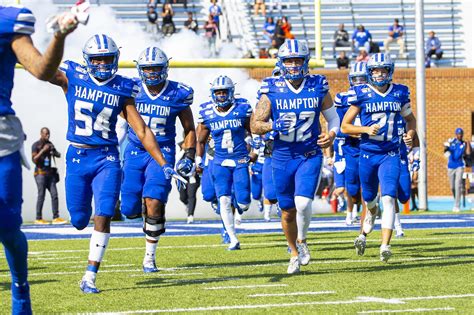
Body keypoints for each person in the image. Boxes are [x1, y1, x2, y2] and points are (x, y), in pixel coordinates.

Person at [48, 34, 181, 293]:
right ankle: (88, 254)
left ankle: (89, 276)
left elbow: (141, 130)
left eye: (106, 58)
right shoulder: (72, 75)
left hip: (106, 157)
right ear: (87, 60)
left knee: (105, 212)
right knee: (78, 219)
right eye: (96, 59)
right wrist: (59, 36)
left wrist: (164, 162)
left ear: (116, 58)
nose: (101, 64)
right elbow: (44, 71)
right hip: (77, 156)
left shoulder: (123, 87)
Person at [0, 4, 78, 313]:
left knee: (6, 226)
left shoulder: (8, 20)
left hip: (1, 133)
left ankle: (20, 288)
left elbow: (41, 70)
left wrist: (59, 35)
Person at [251, 39, 339, 274]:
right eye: (288, 60)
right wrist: (272, 126)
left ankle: (302, 240)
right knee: (288, 209)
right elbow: (255, 124)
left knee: (303, 202)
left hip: (308, 153)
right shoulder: (271, 88)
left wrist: (331, 134)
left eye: (297, 60)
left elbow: (333, 118)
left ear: (305, 62)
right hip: (281, 155)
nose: (292, 65)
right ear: (281, 62)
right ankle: (292, 250)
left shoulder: (318, 85)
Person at [120, 46, 195, 272]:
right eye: (147, 68)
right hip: (134, 150)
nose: (152, 73)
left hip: (163, 152)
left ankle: (149, 257)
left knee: (153, 201)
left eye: (156, 68)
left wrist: (189, 155)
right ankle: (145, 217)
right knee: (129, 208)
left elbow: (189, 128)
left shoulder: (178, 94)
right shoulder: (130, 89)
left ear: (165, 68)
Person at [341, 53, 417, 262]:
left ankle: (385, 244)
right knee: (370, 199)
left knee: (389, 197)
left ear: (390, 71)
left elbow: (410, 120)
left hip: (390, 153)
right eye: (375, 70)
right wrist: (365, 129)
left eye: (383, 70)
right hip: (367, 153)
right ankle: (370, 215)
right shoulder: (362, 93)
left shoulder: (399, 92)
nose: (379, 74)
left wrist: (409, 135)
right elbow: (345, 126)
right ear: (369, 72)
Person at [196, 75, 254, 251]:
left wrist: (254, 149)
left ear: (231, 92)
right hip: (217, 160)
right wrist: (198, 159)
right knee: (219, 199)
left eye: (224, 92)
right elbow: (200, 139)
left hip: (239, 159)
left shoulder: (242, 108)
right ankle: (232, 237)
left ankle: (235, 205)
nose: (221, 96)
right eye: (218, 92)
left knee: (243, 203)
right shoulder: (206, 112)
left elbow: (252, 131)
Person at [332, 62, 367, 226]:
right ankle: (354, 209)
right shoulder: (343, 98)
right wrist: (356, 131)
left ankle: (369, 211)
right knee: (352, 188)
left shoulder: (373, 96)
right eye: (356, 79)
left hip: (370, 145)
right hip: (350, 145)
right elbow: (339, 126)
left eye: (363, 79)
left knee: (369, 182)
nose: (359, 82)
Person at [31, 127, 67, 225]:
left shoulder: (50, 144)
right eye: (46, 134)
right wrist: (43, 150)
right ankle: (38, 218)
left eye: (49, 134)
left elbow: (58, 155)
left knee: (54, 195)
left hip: (50, 175)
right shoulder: (36, 145)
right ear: (41, 134)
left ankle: (56, 217)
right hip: (40, 174)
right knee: (41, 195)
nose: (48, 136)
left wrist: (53, 151)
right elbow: (34, 160)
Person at [444, 128, 471, 212]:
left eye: (461, 134)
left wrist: (468, 143)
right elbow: (445, 149)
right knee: (452, 187)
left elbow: (468, 153)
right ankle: (456, 200)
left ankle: (456, 205)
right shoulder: (452, 141)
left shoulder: (463, 144)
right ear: (456, 134)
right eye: (458, 134)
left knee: (457, 185)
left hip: (460, 165)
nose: (460, 135)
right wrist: (447, 144)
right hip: (451, 166)